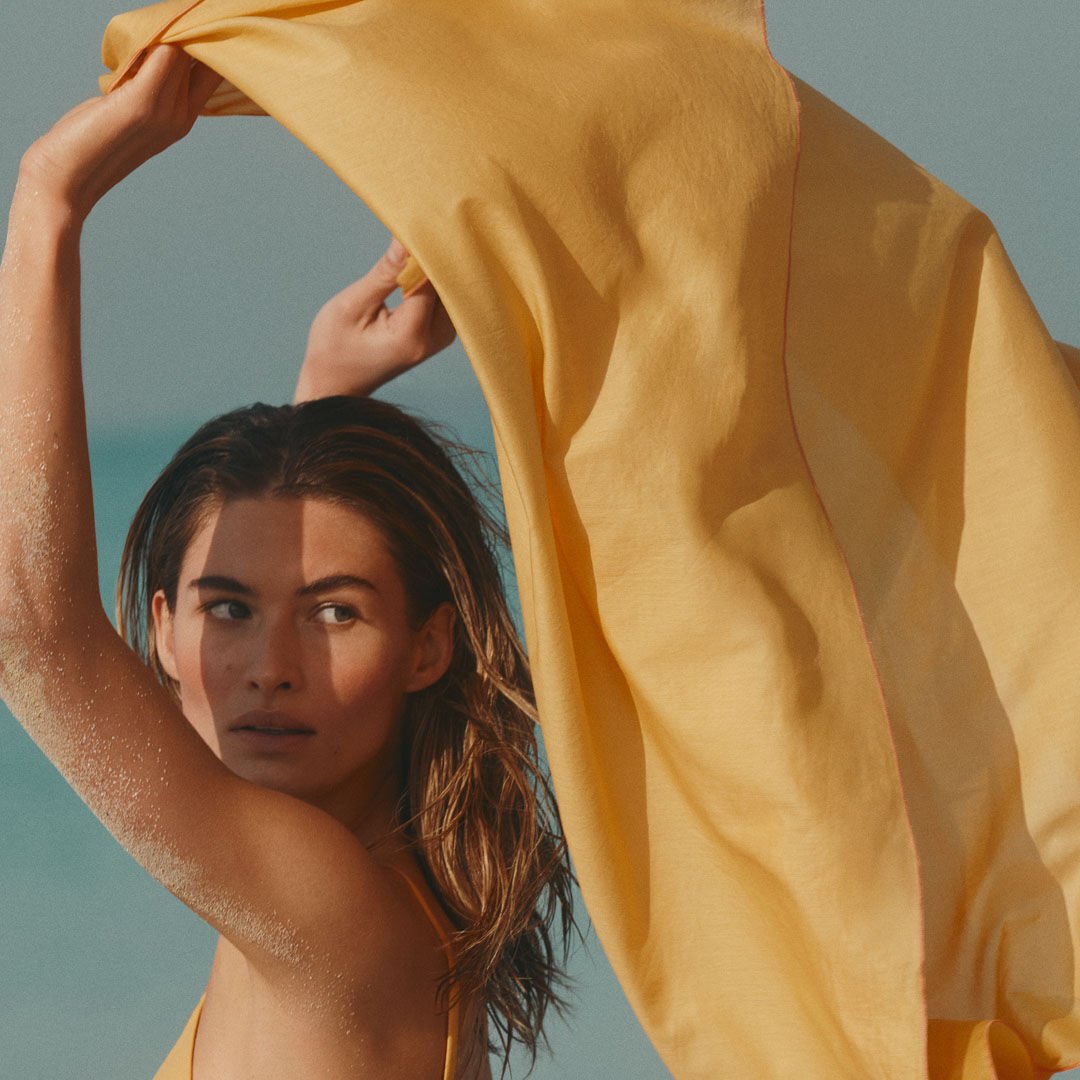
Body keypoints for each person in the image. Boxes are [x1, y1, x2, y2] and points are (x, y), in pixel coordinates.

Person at [0, 46, 572, 1079]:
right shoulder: (409, 890)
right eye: (228, 609)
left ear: (428, 645)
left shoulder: (332, 908)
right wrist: (323, 406)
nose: (272, 665)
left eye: (338, 613)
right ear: (165, 631)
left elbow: (32, 631)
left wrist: (49, 203)